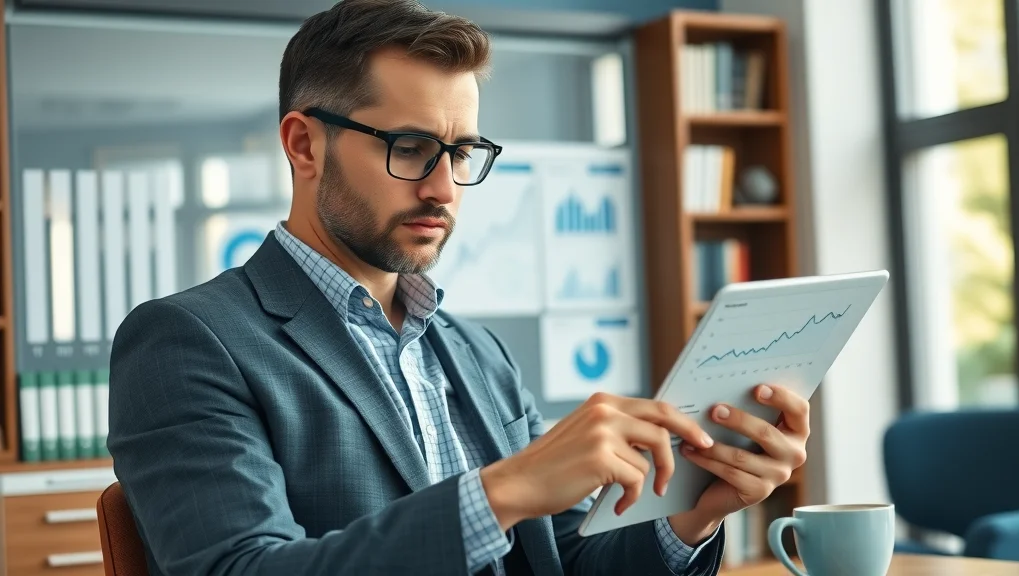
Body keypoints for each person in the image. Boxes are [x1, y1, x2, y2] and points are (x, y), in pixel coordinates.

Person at [108, 1, 810, 574]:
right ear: (304, 146)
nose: (444, 188)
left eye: (462, 152)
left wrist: (696, 509)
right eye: (409, 148)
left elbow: (566, 562)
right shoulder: (189, 340)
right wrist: (504, 490)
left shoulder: (477, 354)